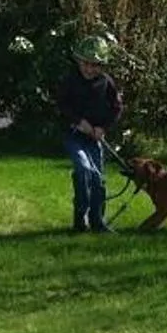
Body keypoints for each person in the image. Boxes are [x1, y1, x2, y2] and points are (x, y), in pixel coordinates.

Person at [56, 34, 123, 233]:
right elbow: (62, 105)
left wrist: (103, 127)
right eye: (86, 63)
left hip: (95, 138)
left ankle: (98, 222)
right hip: (74, 135)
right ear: (78, 61)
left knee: (98, 179)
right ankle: (80, 220)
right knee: (84, 170)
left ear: (102, 66)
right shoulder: (70, 80)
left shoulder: (106, 82)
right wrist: (79, 121)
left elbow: (116, 107)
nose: (90, 69)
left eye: (95, 65)